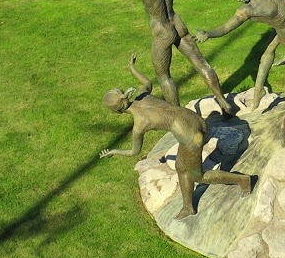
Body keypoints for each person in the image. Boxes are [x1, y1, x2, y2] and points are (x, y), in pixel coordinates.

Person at [100, 55, 253, 219]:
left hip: (191, 138)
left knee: (198, 176)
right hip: (197, 120)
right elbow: (147, 82)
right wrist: (133, 68)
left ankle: (243, 180)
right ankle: (188, 207)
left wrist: (114, 151)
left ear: (118, 111)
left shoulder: (139, 124)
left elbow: (134, 151)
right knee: (181, 166)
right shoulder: (142, 95)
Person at [101, 0, 236, 115]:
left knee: (164, 76)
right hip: (178, 24)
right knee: (202, 64)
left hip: (162, 31)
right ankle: (224, 103)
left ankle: (180, 117)